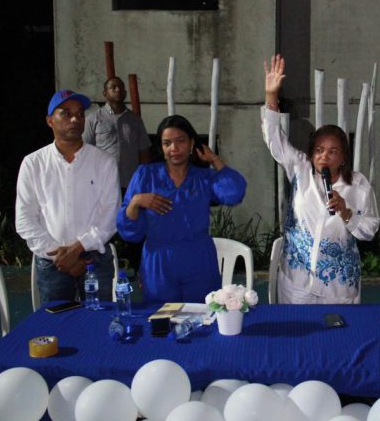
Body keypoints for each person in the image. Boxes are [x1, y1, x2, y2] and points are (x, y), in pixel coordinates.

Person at [262, 54, 379, 304]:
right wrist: (272, 97)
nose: (324, 156)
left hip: (339, 287)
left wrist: (347, 212)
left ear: (343, 157)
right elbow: (275, 141)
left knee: (341, 339)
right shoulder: (300, 170)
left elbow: (369, 231)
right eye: (318, 150)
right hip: (297, 282)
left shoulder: (358, 185)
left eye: (332, 151)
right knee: (296, 339)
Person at [117, 115, 247, 303]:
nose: (174, 148)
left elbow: (234, 193)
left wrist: (214, 159)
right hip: (159, 263)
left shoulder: (203, 177)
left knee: (205, 320)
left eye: (180, 141)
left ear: (192, 143)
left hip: (199, 260)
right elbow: (129, 232)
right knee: (161, 322)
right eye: (167, 143)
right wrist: (136, 201)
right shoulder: (146, 175)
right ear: (161, 148)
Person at [16, 89, 120, 303]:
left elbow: (110, 217)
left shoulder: (104, 162)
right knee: (57, 328)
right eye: (66, 113)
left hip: (95, 260)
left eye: (80, 114)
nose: (75, 119)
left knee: (98, 328)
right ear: (49, 121)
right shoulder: (33, 164)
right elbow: (24, 220)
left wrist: (77, 249)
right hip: (53, 262)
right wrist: (63, 256)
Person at [83, 76, 152, 191]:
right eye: (113, 87)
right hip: (103, 183)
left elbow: (144, 151)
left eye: (121, 87)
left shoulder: (135, 120)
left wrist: (145, 178)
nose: (118, 90)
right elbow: (85, 151)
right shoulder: (93, 119)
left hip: (131, 183)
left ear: (125, 92)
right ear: (105, 93)